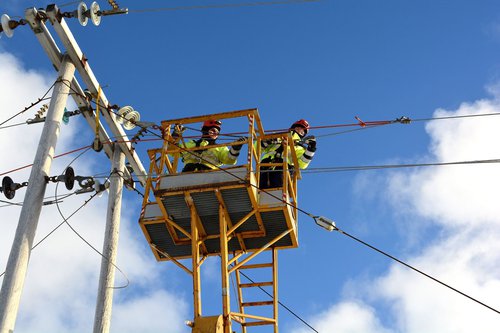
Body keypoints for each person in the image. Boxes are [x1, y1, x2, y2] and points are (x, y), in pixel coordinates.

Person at [259, 119, 316, 189]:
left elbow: (302, 164)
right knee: (259, 189)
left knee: (277, 191)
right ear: (293, 128)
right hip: (264, 166)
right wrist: (269, 140)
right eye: (298, 128)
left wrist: (311, 149)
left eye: (303, 130)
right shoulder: (277, 136)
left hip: (283, 171)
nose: (300, 130)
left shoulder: (300, 148)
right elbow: (257, 148)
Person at [172, 120, 245, 172]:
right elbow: (173, 151)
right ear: (205, 130)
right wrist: (175, 135)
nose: (215, 133)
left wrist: (235, 148)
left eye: (217, 132)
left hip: (209, 176)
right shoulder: (191, 144)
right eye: (213, 130)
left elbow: (229, 160)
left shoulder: (220, 148)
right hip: (188, 175)